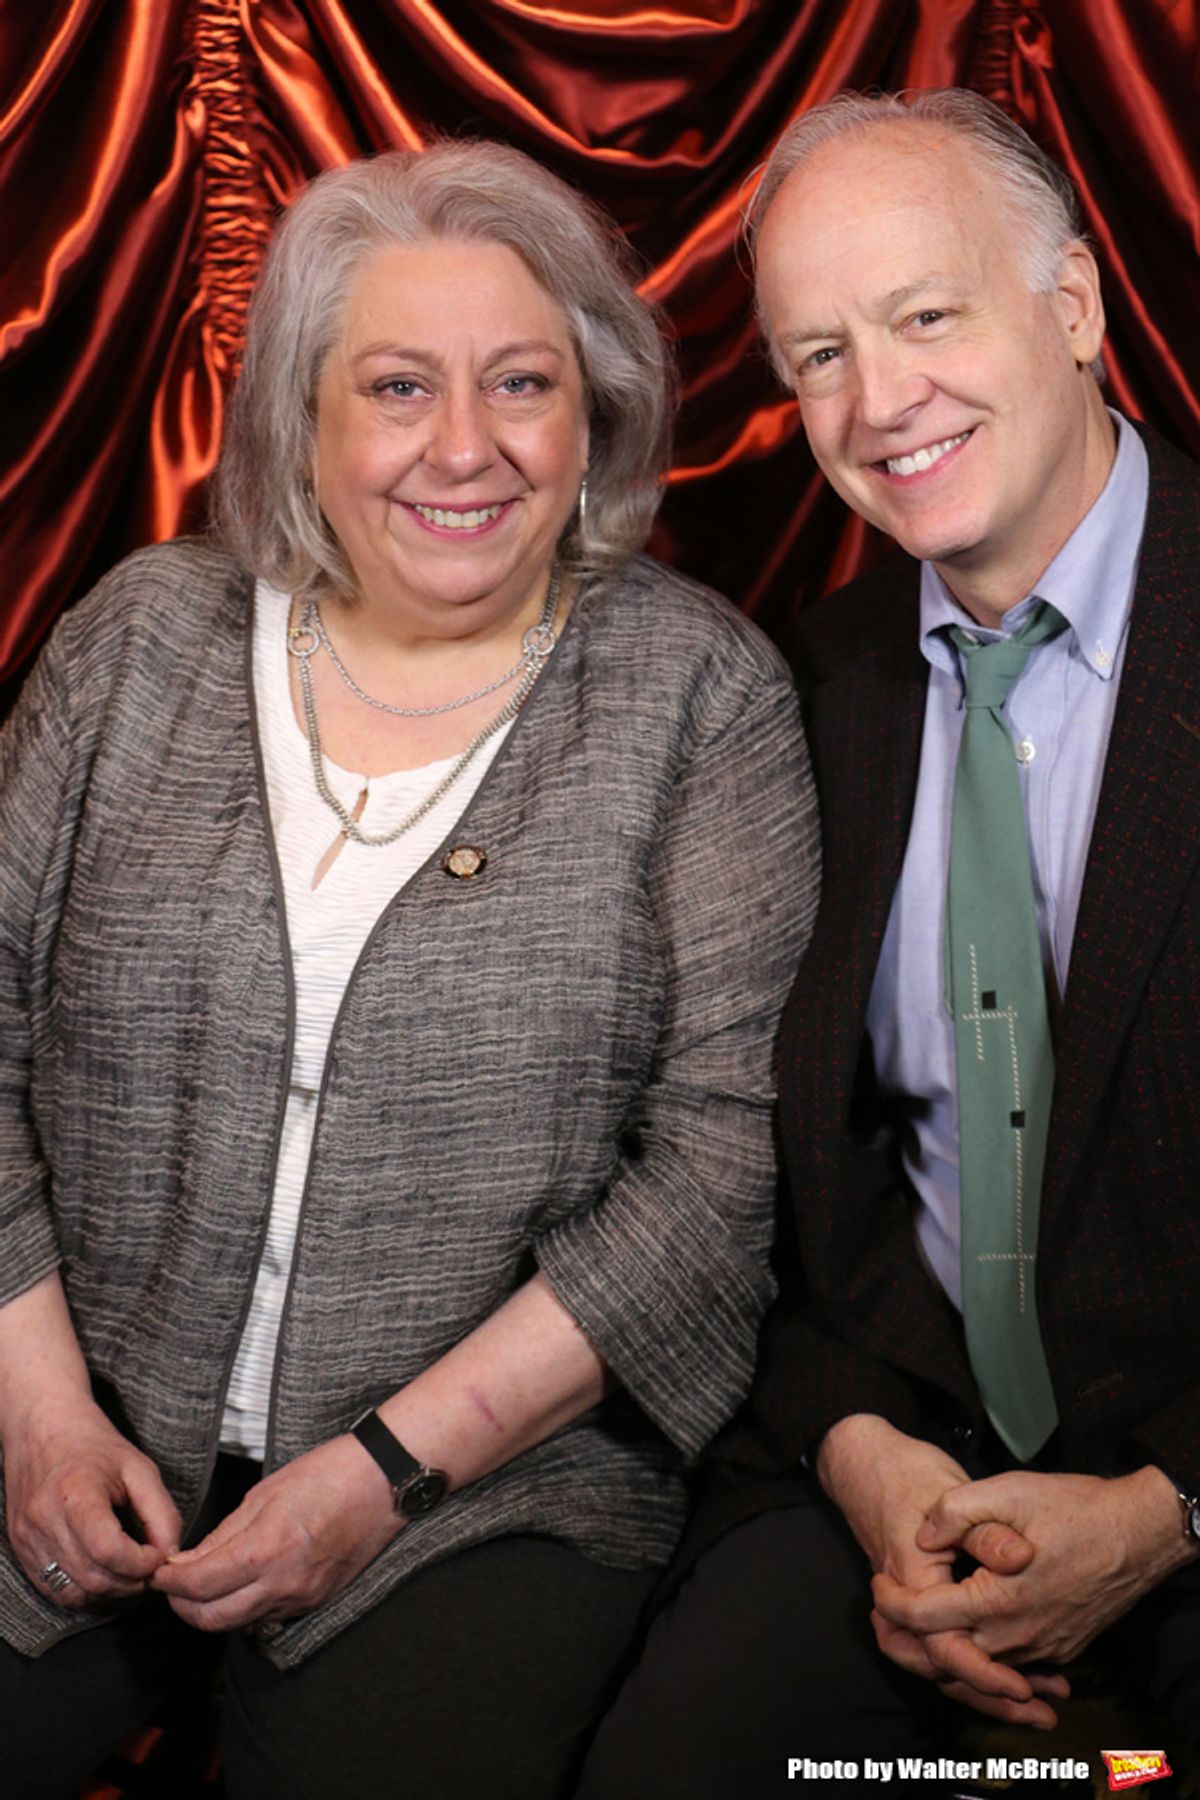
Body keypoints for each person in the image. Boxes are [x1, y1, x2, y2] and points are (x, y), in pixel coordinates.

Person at [0, 140, 819, 1800]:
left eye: (521, 382)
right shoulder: (136, 640)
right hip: (66, 1428)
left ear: (591, 414)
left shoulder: (698, 698)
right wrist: (37, 1417)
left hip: (488, 1491)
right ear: (304, 419)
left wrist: (378, 1473)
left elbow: (718, 1178)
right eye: (397, 386)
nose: (466, 446)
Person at [578, 88, 1200, 1798]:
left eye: (928, 316)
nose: (879, 402)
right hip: (899, 1467)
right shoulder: (806, 690)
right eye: (818, 356)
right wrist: (861, 1461)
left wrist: (1167, 1511)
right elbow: (771, 1183)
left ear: (1071, 309)